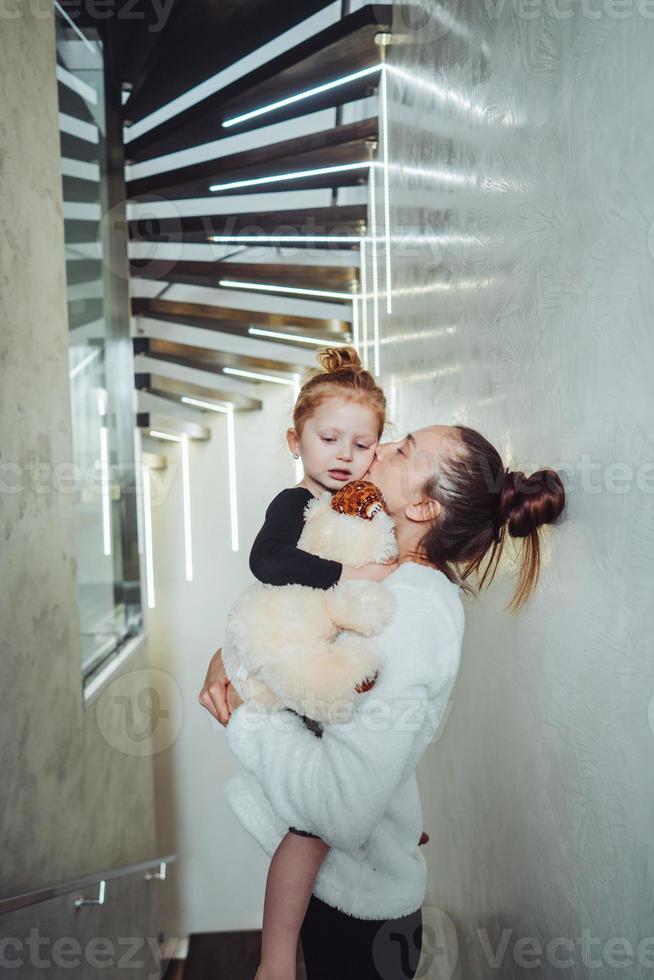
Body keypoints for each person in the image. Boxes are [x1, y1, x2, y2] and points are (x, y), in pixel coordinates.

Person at [199, 422, 566, 980]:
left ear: (423, 508)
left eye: (404, 451)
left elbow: (339, 807)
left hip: (360, 926)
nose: (382, 449)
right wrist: (232, 656)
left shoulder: (410, 613)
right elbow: (302, 621)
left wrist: (249, 719)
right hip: (344, 897)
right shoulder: (386, 572)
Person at [226, 345, 400, 980]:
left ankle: (389, 820)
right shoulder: (293, 503)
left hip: (331, 665)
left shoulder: (364, 504)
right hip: (294, 665)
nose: (344, 455)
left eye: (362, 443)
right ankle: (276, 962)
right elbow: (267, 562)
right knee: (310, 828)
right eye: (329, 438)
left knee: (357, 782)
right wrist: (348, 575)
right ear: (295, 439)